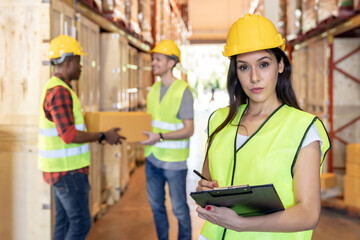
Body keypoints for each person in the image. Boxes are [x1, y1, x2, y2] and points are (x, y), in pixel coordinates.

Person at [195, 14, 331, 240]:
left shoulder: (303, 128)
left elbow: (309, 214)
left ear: (280, 65)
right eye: (244, 67)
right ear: (235, 72)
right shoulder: (219, 120)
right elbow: (208, 181)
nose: (254, 77)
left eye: (263, 64)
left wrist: (241, 224)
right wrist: (205, 189)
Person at [38, 35, 125, 240]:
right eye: (78, 61)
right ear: (68, 62)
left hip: (61, 170)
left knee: (64, 221)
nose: (81, 66)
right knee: (81, 223)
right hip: (68, 171)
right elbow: (69, 135)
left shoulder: (57, 87)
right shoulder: (60, 92)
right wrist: (103, 135)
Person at [140, 39, 194, 240]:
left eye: (157, 59)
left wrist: (160, 137)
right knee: (156, 207)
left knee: (179, 209)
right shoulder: (153, 89)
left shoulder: (183, 91)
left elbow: (189, 130)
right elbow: (152, 122)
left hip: (174, 162)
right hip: (152, 158)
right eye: (153, 59)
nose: (153, 63)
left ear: (171, 62)